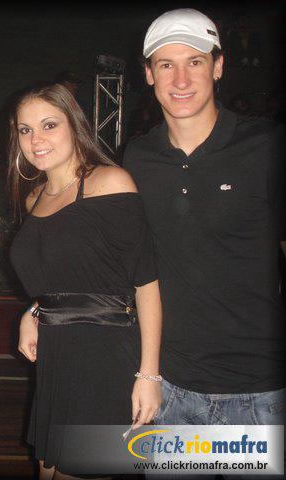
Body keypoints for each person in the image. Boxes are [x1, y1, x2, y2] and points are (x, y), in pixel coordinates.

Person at [124, 8, 285, 432]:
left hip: (262, 389)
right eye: (166, 65)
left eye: (194, 62)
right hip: (170, 386)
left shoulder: (265, 146)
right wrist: (45, 307)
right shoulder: (138, 158)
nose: (181, 80)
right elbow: (122, 255)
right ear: (149, 74)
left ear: (218, 67)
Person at [8, 82, 162, 479]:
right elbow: (69, 271)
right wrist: (34, 310)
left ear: (75, 125)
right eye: (25, 130)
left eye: (49, 125)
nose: (36, 139)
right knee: (48, 471)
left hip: (104, 358)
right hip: (57, 359)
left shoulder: (111, 182)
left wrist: (149, 375)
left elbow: (146, 284)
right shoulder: (34, 198)